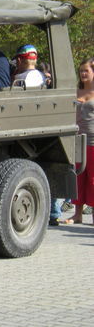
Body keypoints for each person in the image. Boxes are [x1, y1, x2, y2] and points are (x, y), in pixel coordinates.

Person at [64, 58, 94, 225]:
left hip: (93, 141)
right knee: (78, 177)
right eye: (81, 70)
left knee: (93, 178)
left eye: (86, 71)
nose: (83, 73)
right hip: (77, 139)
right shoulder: (76, 92)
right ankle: (77, 214)